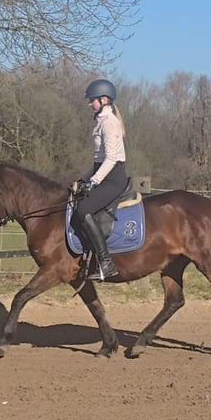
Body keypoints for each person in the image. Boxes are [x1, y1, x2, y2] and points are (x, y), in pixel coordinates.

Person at [71, 78, 127, 281]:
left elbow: (111, 159)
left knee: (84, 210)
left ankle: (106, 262)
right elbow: (98, 160)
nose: (89, 104)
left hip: (113, 179)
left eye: (92, 100)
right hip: (102, 173)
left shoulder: (110, 123)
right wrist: (83, 179)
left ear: (104, 100)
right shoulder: (100, 121)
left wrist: (93, 181)